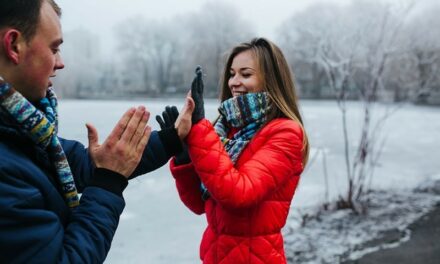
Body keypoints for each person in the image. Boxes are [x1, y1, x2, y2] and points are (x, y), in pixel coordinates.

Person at [0, 0, 191, 263]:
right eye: (54, 48)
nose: (60, 63)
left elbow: (86, 163)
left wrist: (171, 138)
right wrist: (108, 182)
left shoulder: (21, 134)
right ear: (13, 45)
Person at [168, 38, 310, 263]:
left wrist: (199, 131)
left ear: (271, 79)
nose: (234, 81)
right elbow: (199, 204)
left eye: (245, 74)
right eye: (232, 74)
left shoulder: (285, 133)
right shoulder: (227, 129)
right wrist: (185, 156)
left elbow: (239, 193)